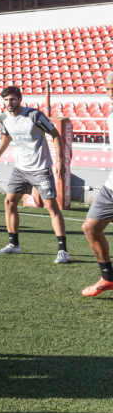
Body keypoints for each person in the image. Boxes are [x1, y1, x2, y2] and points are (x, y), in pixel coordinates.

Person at [0, 85, 69, 264]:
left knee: (51, 207)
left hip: (41, 168)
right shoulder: (4, 118)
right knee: (9, 202)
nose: (9, 103)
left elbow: (55, 135)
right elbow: (6, 137)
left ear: (20, 99)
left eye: (12, 99)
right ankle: (14, 245)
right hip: (20, 168)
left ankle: (63, 250)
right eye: (6, 100)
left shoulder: (34, 115)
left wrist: (60, 161)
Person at [81, 72, 113, 296]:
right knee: (90, 228)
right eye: (108, 89)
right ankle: (108, 278)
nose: (111, 94)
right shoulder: (111, 114)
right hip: (112, 187)